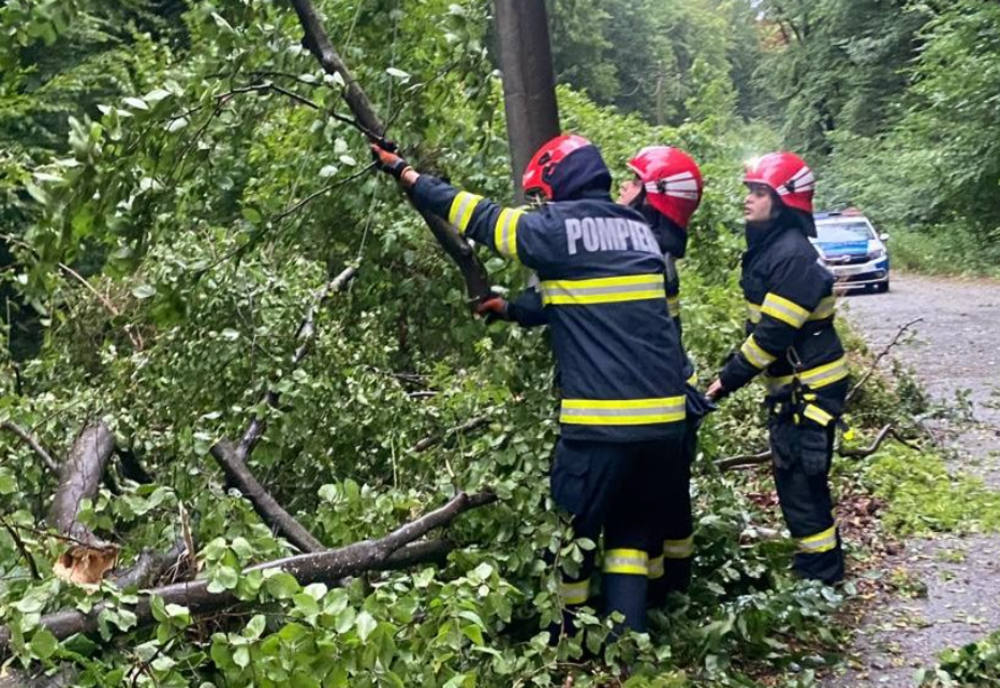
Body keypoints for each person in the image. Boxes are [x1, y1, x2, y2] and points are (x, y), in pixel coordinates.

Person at [371, 134, 689, 633]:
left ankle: (567, 640)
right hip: (664, 427)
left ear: (561, 184)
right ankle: (629, 647)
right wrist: (512, 308)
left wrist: (407, 174)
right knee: (630, 537)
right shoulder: (639, 230)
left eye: (544, 193)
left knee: (571, 536)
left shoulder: (556, 230)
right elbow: (581, 297)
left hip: (601, 427)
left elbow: (475, 215)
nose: (542, 204)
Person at [706, 152, 848, 584]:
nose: (749, 199)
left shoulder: (793, 258)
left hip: (810, 390)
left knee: (803, 484)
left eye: (760, 192)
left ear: (785, 200)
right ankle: (817, 570)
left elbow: (770, 338)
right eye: (750, 190)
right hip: (793, 388)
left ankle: (821, 577)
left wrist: (719, 385)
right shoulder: (771, 249)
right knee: (793, 479)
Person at [618, 146, 707, 602]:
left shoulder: (643, 252)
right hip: (674, 391)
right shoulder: (661, 249)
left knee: (647, 505)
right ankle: (674, 590)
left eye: (633, 181)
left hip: (652, 396)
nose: (623, 187)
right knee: (671, 499)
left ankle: (654, 597)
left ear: (654, 195)